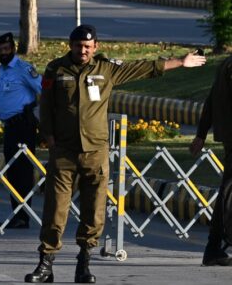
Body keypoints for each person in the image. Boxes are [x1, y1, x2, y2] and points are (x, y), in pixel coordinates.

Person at [25, 24, 206, 284]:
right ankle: (45, 264)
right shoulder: (56, 69)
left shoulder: (106, 68)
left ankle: (84, 264)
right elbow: (45, 105)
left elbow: (143, 67)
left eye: (88, 47)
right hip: (64, 151)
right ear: (70, 45)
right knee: (55, 210)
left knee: (94, 211)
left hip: (95, 152)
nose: (83, 51)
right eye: (78, 46)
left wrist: (180, 61)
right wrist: (49, 137)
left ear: (96, 47)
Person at [0, 32, 42, 229]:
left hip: (23, 125)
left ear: (13, 49)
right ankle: (17, 214)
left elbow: (43, 89)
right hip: (10, 127)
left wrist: (35, 112)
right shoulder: (2, 71)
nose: (3, 53)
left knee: (23, 171)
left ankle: (23, 215)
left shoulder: (23, 69)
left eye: (6, 49)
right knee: (12, 171)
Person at [190, 52, 232, 267]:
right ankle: (217, 244)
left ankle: (214, 247)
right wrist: (201, 133)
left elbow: (211, 99)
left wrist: (201, 133)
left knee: (228, 189)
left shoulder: (227, 63)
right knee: (229, 191)